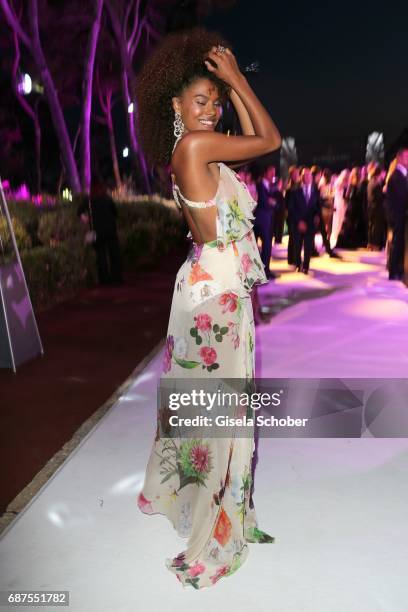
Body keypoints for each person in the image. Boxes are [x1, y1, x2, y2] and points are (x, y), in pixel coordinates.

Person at [135, 29, 281, 589]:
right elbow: (268, 139)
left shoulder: (200, 145)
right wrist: (239, 79)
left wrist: (229, 86)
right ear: (174, 105)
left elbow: (248, 135)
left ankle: (210, 503)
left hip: (210, 281)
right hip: (214, 291)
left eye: (214, 102)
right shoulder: (194, 147)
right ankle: (217, 521)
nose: (210, 110)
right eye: (201, 101)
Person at [77, 183, 123, 286]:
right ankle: (117, 278)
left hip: (97, 231)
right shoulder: (107, 198)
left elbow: (79, 211)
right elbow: (116, 213)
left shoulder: (89, 200)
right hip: (111, 230)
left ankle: (104, 279)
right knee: (114, 254)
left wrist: (86, 219)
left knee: (101, 256)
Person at [290, 167, 321, 274]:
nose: (306, 177)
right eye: (304, 175)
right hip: (298, 223)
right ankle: (298, 264)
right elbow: (292, 209)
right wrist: (299, 221)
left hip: (310, 223)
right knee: (297, 245)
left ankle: (306, 266)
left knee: (308, 246)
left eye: (308, 175)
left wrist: (317, 216)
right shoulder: (295, 191)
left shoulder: (316, 190)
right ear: (301, 177)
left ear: (311, 177)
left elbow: (318, 206)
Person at [384, 147, 408, 280]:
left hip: (400, 215)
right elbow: (402, 196)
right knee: (397, 244)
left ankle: (398, 269)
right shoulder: (396, 176)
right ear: (399, 158)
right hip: (397, 215)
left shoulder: (403, 174)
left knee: (399, 244)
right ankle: (394, 271)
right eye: (406, 157)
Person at [254, 165, 278, 279]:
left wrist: (272, 202)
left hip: (267, 220)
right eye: (271, 172)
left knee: (267, 246)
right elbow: (263, 202)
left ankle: (265, 270)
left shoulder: (271, 186)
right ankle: (263, 271)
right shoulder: (259, 185)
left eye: (274, 172)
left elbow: (275, 203)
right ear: (265, 173)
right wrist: (270, 202)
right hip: (260, 220)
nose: (273, 175)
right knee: (265, 245)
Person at [367, 166, 387, 250]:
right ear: (380, 173)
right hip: (376, 208)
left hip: (371, 207)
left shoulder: (371, 181)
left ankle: (370, 244)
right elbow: (377, 197)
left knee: (372, 226)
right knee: (376, 227)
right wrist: (384, 192)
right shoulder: (376, 182)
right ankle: (375, 245)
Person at [285, 165, 301, 265]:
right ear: (291, 175)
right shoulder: (289, 189)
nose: (296, 176)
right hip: (291, 217)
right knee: (293, 238)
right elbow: (287, 205)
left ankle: (294, 259)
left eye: (297, 174)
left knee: (296, 238)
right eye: (294, 174)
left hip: (298, 216)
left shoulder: (300, 186)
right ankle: (293, 259)